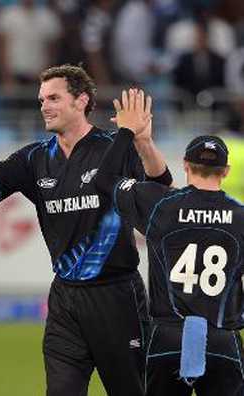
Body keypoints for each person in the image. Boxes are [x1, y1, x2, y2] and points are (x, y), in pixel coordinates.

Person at [0, 65, 172, 396]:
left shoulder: (113, 146)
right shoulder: (35, 158)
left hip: (117, 297)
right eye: (40, 100)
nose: (44, 106)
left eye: (53, 98)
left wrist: (144, 142)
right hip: (65, 301)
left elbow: (161, 186)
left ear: (81, 101)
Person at [95, 89, 244, 396]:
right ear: (226, 172)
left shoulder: (161, 205)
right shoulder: (240, 215)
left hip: (168, 337)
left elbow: (105, 179)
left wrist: (127, 134)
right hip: (221, 338)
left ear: (185, 165)